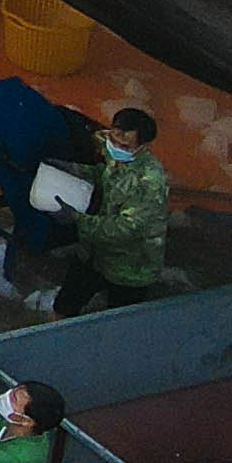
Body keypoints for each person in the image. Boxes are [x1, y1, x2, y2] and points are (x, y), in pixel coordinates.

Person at [56, 107, 167, 317]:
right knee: (64, 306)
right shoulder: (114, 149)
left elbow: (126, 228)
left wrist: (79, 220)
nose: (115, 147)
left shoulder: (149, 182)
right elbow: (106, 175)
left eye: (124, 146)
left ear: (142, 147)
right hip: (94, 253)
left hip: (130, 266)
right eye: (113, 140)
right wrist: (77, 171)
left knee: (119, 323)